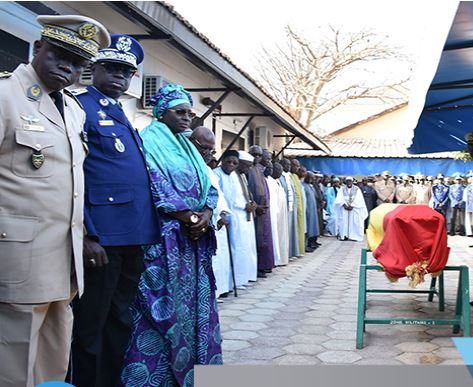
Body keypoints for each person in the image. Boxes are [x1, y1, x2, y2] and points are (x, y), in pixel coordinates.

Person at [0, 15, 109, 387]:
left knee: (53, 362)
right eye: (61, 55)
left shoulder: (74, 110)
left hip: (63, 261)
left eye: (80, 63)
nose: (69, 68)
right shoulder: (4, 96)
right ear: (37, 48)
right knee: (13, 364)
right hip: (15, 259)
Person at [71, 35, 162, 387]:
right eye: (111, 68)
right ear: (95, 69)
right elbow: (76, 176)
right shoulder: (79, 107)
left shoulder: (119, 112)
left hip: (133, 235)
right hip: (103, 237)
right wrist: (88, 233)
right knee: (91, 323)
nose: (119, 77)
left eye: (126, 71)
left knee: (119, 318)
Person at [120, 85, 222, 387]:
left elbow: (208, 184)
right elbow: (152, 183)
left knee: (191, 312)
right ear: (161, 112)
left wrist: (205, 213)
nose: (187, 118)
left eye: (189, 112)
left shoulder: (188, 146)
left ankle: (189, 374)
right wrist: (187, 216)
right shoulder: (148, 141)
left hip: (192, 244)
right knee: (159, 311)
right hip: (163, 244)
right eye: (180, 112)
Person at [190, 127, 232, 298]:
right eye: (204, 148)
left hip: (213, 221)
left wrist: (222, 212)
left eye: (211, 150)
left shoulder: (207, 170)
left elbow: (218, 195)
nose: (208, 153)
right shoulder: (188, 165)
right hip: (195, 224)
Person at [248, 145, 275, 277]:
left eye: (259, 155)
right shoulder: (247, 169)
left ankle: (265, 265)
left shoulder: (260, 170)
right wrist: (255, 205)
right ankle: (257, 267)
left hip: (263, 210)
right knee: (256, 239)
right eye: (254, 154)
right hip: (253, 210)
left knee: (264, 237)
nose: (257, 157)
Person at [334, 176, 368, 242]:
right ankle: (344, 235)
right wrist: (344, 205)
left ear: (352, 182)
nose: (349, 182)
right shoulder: (342, 189)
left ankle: (354, 236)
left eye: (350, 181)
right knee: (343, 222)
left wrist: (352, 205)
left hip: (354, 209)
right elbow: (339, 198)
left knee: (355, 222)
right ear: (345, 182)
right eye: (347, 181)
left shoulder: (357, 189)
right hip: (344, 209)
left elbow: (359, 199)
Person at [280, 158, 299, 258]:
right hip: (284, 209)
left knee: (291, 231)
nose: (289, 167)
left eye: (289, 165)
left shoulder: (289, 177)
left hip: (291, 209)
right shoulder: (280, 177)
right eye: (287, 165)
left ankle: (290, 252)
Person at [271, 162, 290, 265]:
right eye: (278, 170)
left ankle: (282, 258)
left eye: (280, 170)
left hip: (282, 215)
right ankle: (276, 260)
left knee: (282, 237)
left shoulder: (278, 181)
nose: (280, 172)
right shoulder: (270, 182)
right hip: (275, 215)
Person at [290, 158, 306, 254]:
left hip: (299, 209)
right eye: (295, 165)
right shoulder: (289, 177)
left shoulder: (295, 177)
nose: (297, 168)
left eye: (298, 166)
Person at [302, 172, 321, 252]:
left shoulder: (311, 186)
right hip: (307, 210)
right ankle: (307, 245)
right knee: (308, 228)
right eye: (310, 178)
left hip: (313, 209)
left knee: (313, 226)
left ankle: (311, 243)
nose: (312, 179)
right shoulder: (303, 186)